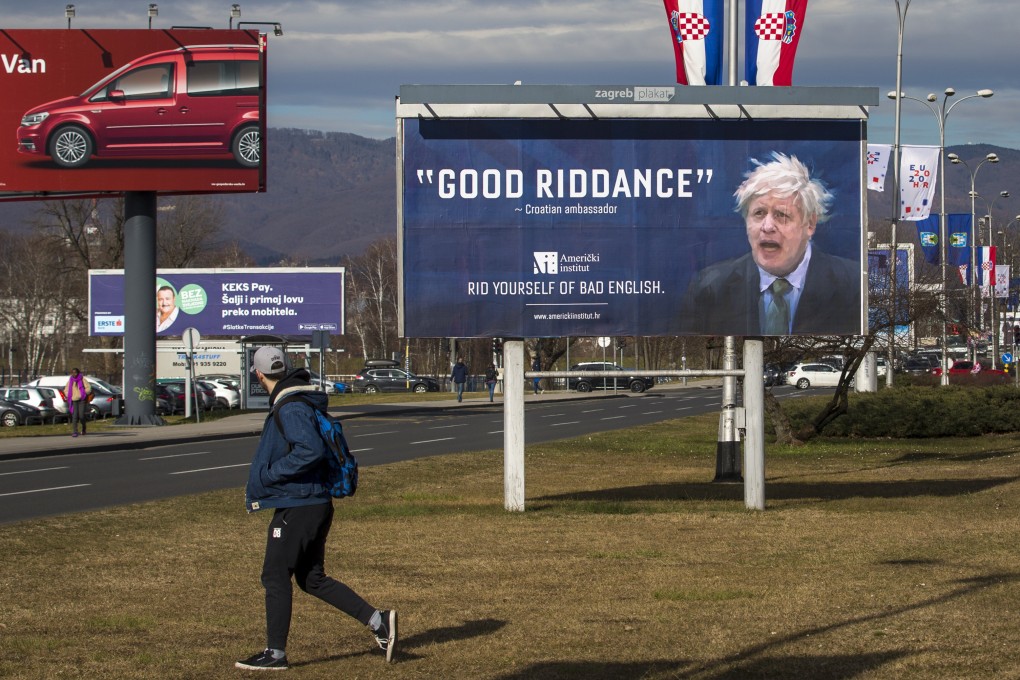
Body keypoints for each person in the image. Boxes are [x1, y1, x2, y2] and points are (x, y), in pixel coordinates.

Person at [237, 346, 397, 671]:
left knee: (274, 574)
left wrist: (270, 474)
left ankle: (275, 654)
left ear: (258, 375)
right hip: (312, 502)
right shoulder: (297, 400)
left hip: (300, 504)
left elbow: (308, 450)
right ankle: (378, 620)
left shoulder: (290, 407)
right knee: (311, 579)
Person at [677, 151, 860, 336]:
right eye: (759, 213)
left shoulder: (853, 286)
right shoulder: (709, 289)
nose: (767, 226)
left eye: (781, 215)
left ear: (810, 224)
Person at [64, 368, 92, 437]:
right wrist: (69, 395)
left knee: (81, 415)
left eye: (75, 373)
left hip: (81, 400)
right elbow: (66, 390)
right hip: (73, 400)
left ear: (78, 373)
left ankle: (83, 428)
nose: (74, 374)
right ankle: (75, 431)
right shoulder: (70, 381)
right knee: (75, 416)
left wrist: (83, 393)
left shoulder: (82, 379)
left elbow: (89, 388)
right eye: (73, 373)